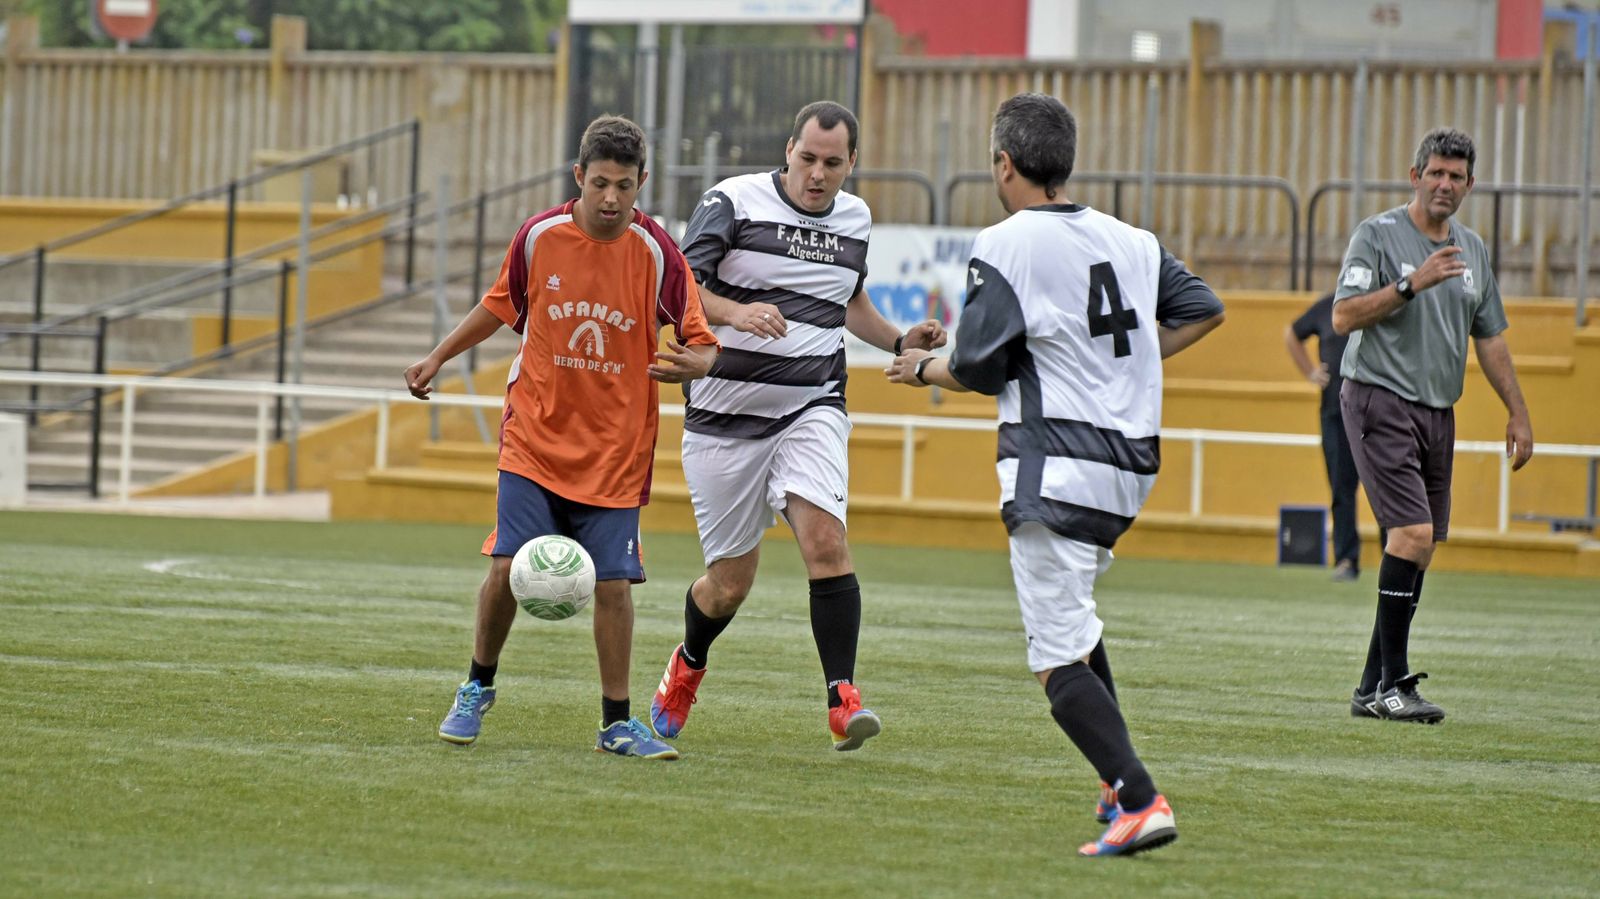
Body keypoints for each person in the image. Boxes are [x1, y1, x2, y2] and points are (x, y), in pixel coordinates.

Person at [886, 92, 1224, 857]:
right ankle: (1115, 786)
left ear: (1003, 163)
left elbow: (978, 364)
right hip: (1129, 464)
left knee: (1052, 656)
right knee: (1077, 625)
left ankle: (1141, 797)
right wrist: (1127, 363)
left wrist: (919, 368)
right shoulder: (1133, 240)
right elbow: (1206, 308)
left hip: (1054, 465)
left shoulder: (1004, 242)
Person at [405, 115, 719, 757]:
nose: (611, 198)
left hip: (615, 450)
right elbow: (500, 304)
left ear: (642, 185)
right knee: (503, 566)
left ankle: (614, 723)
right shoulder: (540, 237)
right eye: (600, 182)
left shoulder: (659, 253)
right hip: (536, 436)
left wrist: (698, 361)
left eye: (624, 186)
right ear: (578, 177)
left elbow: (702, 340)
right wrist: (437, 357)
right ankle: (475, 687)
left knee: (613, 585)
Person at [646, 101, 947, 751]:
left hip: (810, 404)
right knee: (729, 585)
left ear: (852, 164)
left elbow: (849, 301)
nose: (817, 174)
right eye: (807, 158)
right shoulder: (732, 201)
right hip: (723, 419)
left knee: (827, 544)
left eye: (832, 163)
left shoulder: (856, 218)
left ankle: (842, 696)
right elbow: (682, 287)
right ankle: (688, 663)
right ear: (789, 149)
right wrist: (738, 311)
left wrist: (899, 338)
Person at [1332, 127, 1532, 725]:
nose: (1445, 183)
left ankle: (1372, 687)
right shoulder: (1377, 235)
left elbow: (1490, 338)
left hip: (1436, 410)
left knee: (1417, 549)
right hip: (1377, 397)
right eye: (1435, 172)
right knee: (1413, 535)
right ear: (1414, 176)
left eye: (1457, 176)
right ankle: (1395, 685)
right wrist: (1409, 283)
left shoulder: (1473, 251)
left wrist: (1517, 410)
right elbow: (1343, 316)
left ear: (1471, 185)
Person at [1284, 292, 1366, 580]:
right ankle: (1346, 559)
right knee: (1340, 489)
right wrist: (1310, 372)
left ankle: (1396, 556)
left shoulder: (1384, 302)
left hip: (1376, 413)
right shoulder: (1328, 306)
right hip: (1334, 414)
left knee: (1385, 489)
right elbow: (1292, 334)